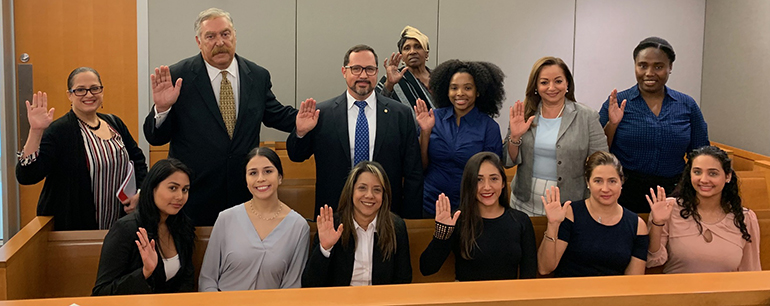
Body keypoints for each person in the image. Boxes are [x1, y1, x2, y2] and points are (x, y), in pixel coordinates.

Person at [143, 8, 297, 226]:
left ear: (235, 35)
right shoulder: (179, 76)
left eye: (225, 34)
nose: (219, 42)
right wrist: (162, 108)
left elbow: (275, 115)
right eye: (211, 36)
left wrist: (309, 119)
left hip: (244, 196)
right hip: (194, 197)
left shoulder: (257, 75)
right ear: (198, 41)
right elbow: (155, 138)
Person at [288, 44, 423, 218]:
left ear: (376, 72)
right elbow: (296, 155)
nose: (363, 75)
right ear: (344, 72)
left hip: (386, 215)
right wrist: (301, 133)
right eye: (356, 69)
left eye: (370, 69)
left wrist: (410, 219)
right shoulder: (323, 114)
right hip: (335, 213)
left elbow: (413, 172)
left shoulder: (400, 114)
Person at [16, 67, 147, 230]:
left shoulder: (114, 123)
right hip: (75, 230)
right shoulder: (60, 130)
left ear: (102, 91)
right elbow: (27, 176)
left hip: (118, 227)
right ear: (69, 95)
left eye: (94, 88)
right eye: (80, 90)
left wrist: (140, 193)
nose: (89, 95)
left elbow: (138, 162)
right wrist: (36, 131)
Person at [600, 37, 709, 213]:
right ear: (635, 65)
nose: (649, 73)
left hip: (674, 192)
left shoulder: (687, 104)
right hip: (624, 192)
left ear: (670, 67)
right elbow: (599, 150)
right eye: (643, 65)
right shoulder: (618, 102)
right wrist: (613, 124)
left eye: (658, 66)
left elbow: (701, 153)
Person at [505, 56, 607, 217]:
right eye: (544, 82)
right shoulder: (523, 113)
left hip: (570, 205)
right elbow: (507, 161)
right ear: (536, 86)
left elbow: (602, 162)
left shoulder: (587, 116)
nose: (551, 87)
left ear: (567, 84)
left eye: (558, 81)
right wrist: (515, 137)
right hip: (524, 203)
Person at [199, 147, 309, 291]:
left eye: (268, 171)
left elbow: (292, 286)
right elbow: (207, 279)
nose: (260, 178)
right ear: (246, 180)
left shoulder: (299, 226)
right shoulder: (226, 219)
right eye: (253, 173)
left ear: (280, 177)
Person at [420, 152, 537, 281]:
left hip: (507, 298)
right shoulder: (458, 220)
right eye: (479, 180)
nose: (487, 187)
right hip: (467, 298)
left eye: (494, 179)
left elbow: (529, 275)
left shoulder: (521, 221)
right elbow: (427, 268)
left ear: (503, 183)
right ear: (469, 183)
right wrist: (442, 233)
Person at [647, 146, 760, 273]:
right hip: (678, 289)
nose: (704, 180)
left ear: (727, 176)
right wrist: (657, 223)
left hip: (725, 291)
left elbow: (751, 270)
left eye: (713, 173)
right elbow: (653, 260)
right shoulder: (669, 208)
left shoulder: (745, 218)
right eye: (697, 172)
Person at [415, 60, 505, 217]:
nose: (460, 93)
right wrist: (425, 132)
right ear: (446, 90)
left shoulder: (489, 127)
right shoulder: (433, 118)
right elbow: (420, 166)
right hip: (429, 203)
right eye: (454, 88)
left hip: (470, 207)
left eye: (468, 88)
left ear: (478, 91)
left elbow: (491, 174)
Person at [92, 159, 196, 295]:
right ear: (153, 188)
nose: (180, 196)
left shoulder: (182, 226)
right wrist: (144, 272)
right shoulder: (126, 229)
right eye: (173, 188)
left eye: (185, 190)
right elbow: (101, 293)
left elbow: (187, 280)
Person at [538, 151, 648, 277]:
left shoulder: (637, 225)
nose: (605, 189)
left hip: (612, 293)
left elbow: (633, 282)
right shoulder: (570, 213)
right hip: (571, 291)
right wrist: (553, 225)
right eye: (598, 181)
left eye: (612, 181)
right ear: (588, 182)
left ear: (621, 182)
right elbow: (544, 268)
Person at [302, 161, 412, 287]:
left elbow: (403, 280)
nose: (369, 195)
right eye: (362, 188)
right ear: (351, 191)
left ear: (384, 196)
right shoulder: (333, 225)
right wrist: (325, 249)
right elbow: (309, 284)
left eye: (377, 190)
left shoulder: (396, 227)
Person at [376, 25, 434, 113]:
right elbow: (377, 107)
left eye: (418, 46)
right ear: (402, 56)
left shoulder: (439, 77)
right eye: (407, 48)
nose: (412, 52)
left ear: (426, 54)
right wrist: (389, 85)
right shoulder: (392, 78)